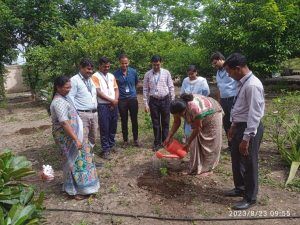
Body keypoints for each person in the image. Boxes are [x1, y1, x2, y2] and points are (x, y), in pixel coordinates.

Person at [223, 53, 264, 210]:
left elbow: (254, 114)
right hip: (239, 126)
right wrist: (233, 126)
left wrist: (246, 139)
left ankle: (250, 197)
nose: (228, 74)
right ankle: (240, 188)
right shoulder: (241, 82)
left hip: (250, 128)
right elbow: (239, 107)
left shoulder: (252, 85)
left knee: (249, 162)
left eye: (229, 71)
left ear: (238, 69)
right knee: (236, 159)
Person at [50, 76, 100, 200]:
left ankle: (87, 187)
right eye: (67, 87)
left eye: (70, 87)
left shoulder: (65, 98)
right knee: (72, 162)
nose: (69, 89)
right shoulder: (58, 102)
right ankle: (74, 190)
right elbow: (64, 123)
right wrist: (76, 139)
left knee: (83, 160)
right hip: (67, 137)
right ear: (58, 87)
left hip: (76, 135)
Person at [164, 93, 223, 176]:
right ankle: (195, 166)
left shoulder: (193, 108)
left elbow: (197, 128)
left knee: (209, 143)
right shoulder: (176, 106)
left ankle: (208, 168)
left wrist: (188, 143)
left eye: (180, 115)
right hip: (200, 114)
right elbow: (177, 122)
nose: (180, 116)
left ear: (184, 110)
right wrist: (169, 136)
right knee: (195, 141)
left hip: (212, 113)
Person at [143, 55, 175, 151]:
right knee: (155, 123)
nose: (156, 67)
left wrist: (172, 101)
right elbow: (145, 89)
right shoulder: (147, 74)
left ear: (161, 63)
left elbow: (171, 87)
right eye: (154, 65)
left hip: (165, 100)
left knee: (165, 122)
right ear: (151, 64)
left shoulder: (166, 73)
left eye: (157, 65)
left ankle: (165, 142)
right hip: (153, 101)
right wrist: (146, 103)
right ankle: (157, 142)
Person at [92, 57, 119, 160]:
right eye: (104, 66)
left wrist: (115, 100)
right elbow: (98, 92)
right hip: (103, 105)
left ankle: (111, 145)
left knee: (113, 126)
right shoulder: (95, 76)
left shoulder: (111, 76)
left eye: (108, 66)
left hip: (114, 104)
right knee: (104, 127)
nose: (106, 68)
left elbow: (116, 89)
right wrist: (111, 100)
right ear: (99, 66)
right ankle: (105, 149)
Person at [68, 59, 98, 146]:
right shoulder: (74, 80)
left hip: (94, 113)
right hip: (82, 114)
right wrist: (75, 115)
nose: (90, 71)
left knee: (93, 138)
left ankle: (90, 157)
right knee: (83, 138)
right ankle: (84, 158)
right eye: (88, 69)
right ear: (81, 67)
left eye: (91, 69)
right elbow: (70, 98)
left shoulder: (91, 80)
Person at [211, 52, 237, 150]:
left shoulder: (231, 69)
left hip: (233, 99)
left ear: (221, 59)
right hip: (223, 100)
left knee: (233, 121)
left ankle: (236, 144)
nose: (214, 66)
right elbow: (219, 87)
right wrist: (218, 101)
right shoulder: (218, 72)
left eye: (215, 63)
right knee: (225, 122)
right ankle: (231, 145)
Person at [114, 54, 139, 147]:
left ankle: (136, 139)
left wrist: (132, 91)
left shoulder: (133, 72)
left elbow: (136, 82)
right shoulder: (115, 74)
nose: (124, 65)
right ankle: (125, 140)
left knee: (134, 119)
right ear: (119, 63)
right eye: (122, 63)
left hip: (132, 98)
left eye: (126, 63)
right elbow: (115, 86)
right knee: (124, 120)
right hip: (122, 100)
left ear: (128, 62)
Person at [180, 65, 210, 139]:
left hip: (199, 105)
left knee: (198, 122)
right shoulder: (185, 80)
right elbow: (182, 93)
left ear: (196, 72)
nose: (190, 76)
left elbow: (206, 92)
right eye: (189, 74)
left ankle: (199, 137)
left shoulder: (202, 80)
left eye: (192, 74)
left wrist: (198, 99)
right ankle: (188, 136)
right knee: (188, 121)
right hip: (188, 105)